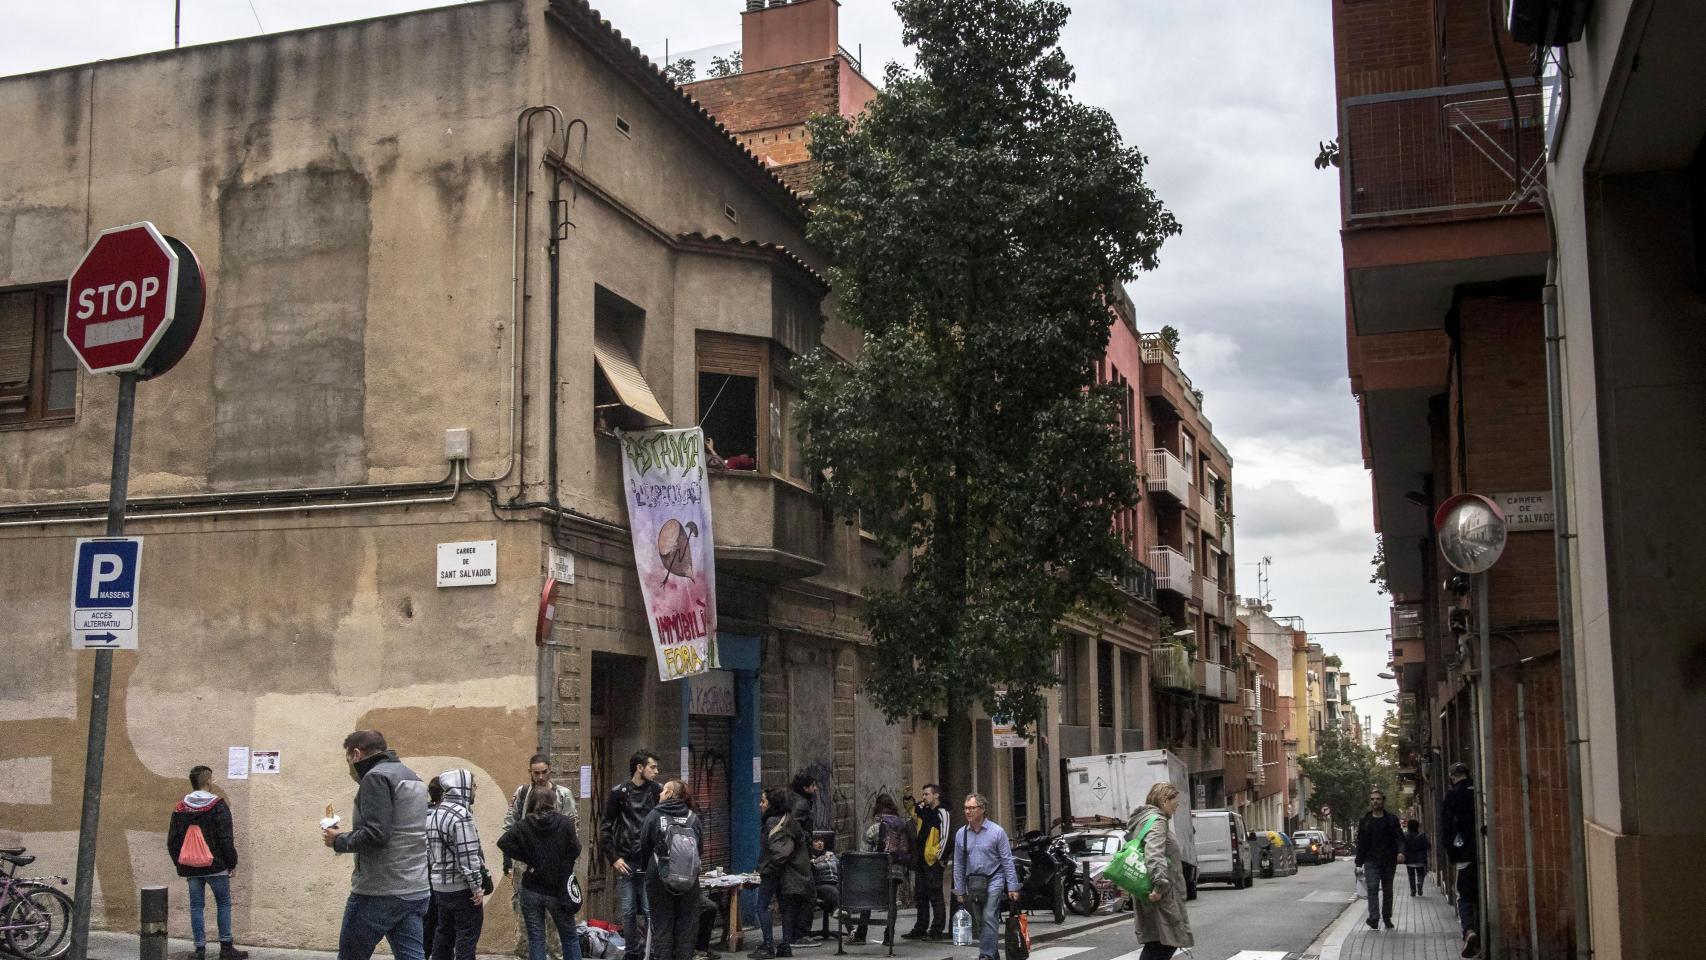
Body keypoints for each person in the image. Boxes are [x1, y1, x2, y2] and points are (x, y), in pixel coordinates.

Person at [323, 730, 431, 960]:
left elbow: (376, 834)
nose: (350, 767)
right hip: (414, 888)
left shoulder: (376, 777)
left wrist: (338, 840)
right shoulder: (412, 777)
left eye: (348, 760)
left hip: (378, 890)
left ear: (356, 754)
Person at [166, 765, 249, 960]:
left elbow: (172, 840)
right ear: (209, 781)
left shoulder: (180, 808)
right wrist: (231, 863)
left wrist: (180, 863)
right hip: (216, 865)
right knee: (223, 903)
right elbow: (226, 838)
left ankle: (199, 950)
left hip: (191, 867)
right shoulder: (218, 805)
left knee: (196, 906)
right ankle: (226, 948)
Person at [505, 755, 580, 960]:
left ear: (550, 770)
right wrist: (514, 859)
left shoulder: (562, 794)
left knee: (556, 925)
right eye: (536, 773)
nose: (540, 777)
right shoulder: (523, 793)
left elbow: (573, 832)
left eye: (544, 772)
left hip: (556, 870)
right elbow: (509, 827)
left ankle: (555, 956)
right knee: (527, 924)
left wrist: (565, 864)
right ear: (530, 772)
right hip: (527, 868)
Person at [602, 751, 663, 960]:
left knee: (649, 909)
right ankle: (631, 953)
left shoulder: (657, 791)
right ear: (639, 768)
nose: (656, 771)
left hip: (649, 861)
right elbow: (606, 828)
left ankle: (652, 952)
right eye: (652, 767)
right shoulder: (619, 793)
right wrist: (614, 858)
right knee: (628, 911)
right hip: (626, 860)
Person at [635, 780, 704, 960]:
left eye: (663, 790)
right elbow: (699, 849)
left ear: (670, 794)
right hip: (689, 880)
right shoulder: (693, 818)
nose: (660, 793)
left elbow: (644, 845)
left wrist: (648, 867)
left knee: (662, 926)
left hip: (660, 875)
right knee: (686, 928)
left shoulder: (655, 815)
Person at [1127, 783, 1193, 960]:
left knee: (1158, 943)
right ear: (1164, 800)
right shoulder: (1158, 821)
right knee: (1166, 942)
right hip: (1161, 895)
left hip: (1151, 891)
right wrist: (1159, 886)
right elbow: (1154, 853)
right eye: (1174, 801)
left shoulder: (1145, 819)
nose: (1177, 805)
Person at [427, 770, 487, 960]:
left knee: (443, 934)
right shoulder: (461, 815)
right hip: (461, 889)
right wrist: (476, 887)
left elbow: (429, 852)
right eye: (473, 785)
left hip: (439, 886)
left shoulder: (435, 813)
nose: (475, 789)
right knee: (466, 938)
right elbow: (468, 856)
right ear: (463, 786)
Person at [951, 793, 1018, 960]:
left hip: (994, 878)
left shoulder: (997, 832)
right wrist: (959, 890)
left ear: (982, 809)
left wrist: (1012, 886)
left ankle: (986, 955)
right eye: (966, 808)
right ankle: (993, 955)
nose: (968, 811)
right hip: (974, 882)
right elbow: (958, 864)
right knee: (980, 920)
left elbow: (1007, 860)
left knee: (989, 915)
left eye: (972, 808)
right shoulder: (961, 834)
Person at [750, 788, 810, 959]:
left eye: (763, 801)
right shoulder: (790, 820)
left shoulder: (772, 822)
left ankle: (768, 945)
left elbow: (780, 853)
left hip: (774, 871)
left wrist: (767, 869)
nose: (760, 805)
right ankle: (785, 945)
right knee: (786, 908)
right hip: (789, 871)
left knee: (762, 906)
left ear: (771, 804)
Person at [853, 794, 914, 944]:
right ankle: (889, 936)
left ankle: (861, 934)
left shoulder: (874, 827)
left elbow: (864, 852)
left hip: (877, 870)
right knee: (892, 902)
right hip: (897, 869)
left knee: (867, 900)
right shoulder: (900, 824)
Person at [1440, 762, 1480, 958]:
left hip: (1464, 853)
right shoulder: (1478, 790)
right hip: (1483, 850)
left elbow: (1446, 827)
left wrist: (1451, 852)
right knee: (1480, 894)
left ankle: (1469, 931)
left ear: (1451, 776)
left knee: (1463, 895)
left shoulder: (1452, 796)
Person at [1355, 788, 1405, 930]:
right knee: (1372, 888)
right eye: (1372, 799)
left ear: (1383, 801)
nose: (1375, 801)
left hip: (1389, 860)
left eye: (1378, 799)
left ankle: (1387, 917)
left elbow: (1399, 837)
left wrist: (1401, 852)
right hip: (1371, 860)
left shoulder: (1392, 819)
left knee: (1388, 890)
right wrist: (1358, 862)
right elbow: (1361, 842)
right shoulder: (1365, 820)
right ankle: (1374, 917)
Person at [903, 785, 948, 941]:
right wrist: (908, 797)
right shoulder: (924, 811)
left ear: (936, 795)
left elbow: (946, 836)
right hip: (921, 860)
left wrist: (939, 857)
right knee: (921, 895)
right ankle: (920, 928)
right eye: (922, 794)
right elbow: (912, 810)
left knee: (935, 895)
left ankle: (936, 930)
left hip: (932, 861)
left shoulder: (942, 813)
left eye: (926, 794)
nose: (923, 797)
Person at [809, 837, 839, 936]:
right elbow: (813, 869)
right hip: (819, 885)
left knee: (841, 891)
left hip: (834, 883)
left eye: (821, 841)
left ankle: (852, 931)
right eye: (816, 841)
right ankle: (837, 910)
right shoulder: (810, 857)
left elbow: (838, 866)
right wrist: (817, 861)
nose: (820, 843)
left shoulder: (831, 854)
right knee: (833, 891)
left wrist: (828, 860)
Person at [1404, 819, 1432, 896]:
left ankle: (1413, 890)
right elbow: (1427, 846)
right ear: (1417, 826)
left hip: (1409, 859)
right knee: (1420, 874)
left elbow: (1403, 847)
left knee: (1411, 876)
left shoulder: (1405, 835)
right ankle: (1420, 884)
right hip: (1420, 858)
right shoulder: (1422, 835)